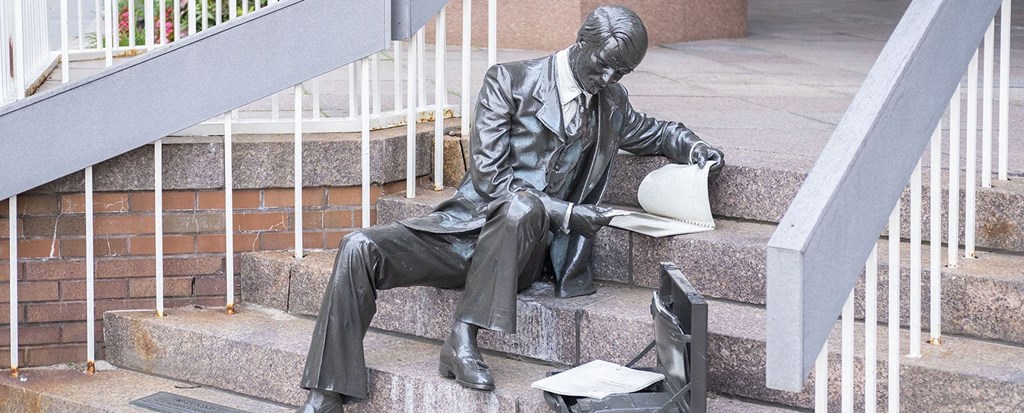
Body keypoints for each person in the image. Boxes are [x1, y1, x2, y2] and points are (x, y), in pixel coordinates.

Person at [296, 5, 725, 412]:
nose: (609, 76)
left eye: (622, 71)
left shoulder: (611, 102)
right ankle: (326, 393)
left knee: (523, 208)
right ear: (581, 43)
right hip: (465, 231)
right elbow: (490, 181)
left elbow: (655, 132)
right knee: (358, 245)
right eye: (603, 64)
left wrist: (697, 148)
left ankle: (462, 338)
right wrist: (569, 214)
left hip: (526, 252)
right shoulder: (508, 82)